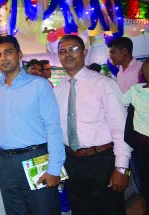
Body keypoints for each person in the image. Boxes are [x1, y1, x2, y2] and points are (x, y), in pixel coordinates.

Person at [0, 35, 65, 215]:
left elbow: (53, 127)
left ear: (19, 54)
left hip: (36, 158)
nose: (3, 58)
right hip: (7, 164)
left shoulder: (39, 85)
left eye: (8, 52)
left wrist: (54, 168)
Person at [54, 35, 132, 215]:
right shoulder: (58, 90)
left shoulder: (104, 84)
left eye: (73, 49)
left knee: (110, 210)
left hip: (102, 162)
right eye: (62, 51)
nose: (68, 54)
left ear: (84, 52)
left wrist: (121, 168)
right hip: (72, 163)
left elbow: (121, 130)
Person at [108, 37, 144, 195]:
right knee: (134, 164)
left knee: (141, 163)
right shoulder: (121, 71)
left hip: (140, 124)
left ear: (125, 51)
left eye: (113, 52)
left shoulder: (141, 69)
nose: (111, 57)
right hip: (126, 123)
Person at [123, 59, 149, 212]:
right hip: (142, 147)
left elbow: (123, 103)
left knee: (145, 181)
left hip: (143, 146)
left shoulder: (136, 91)